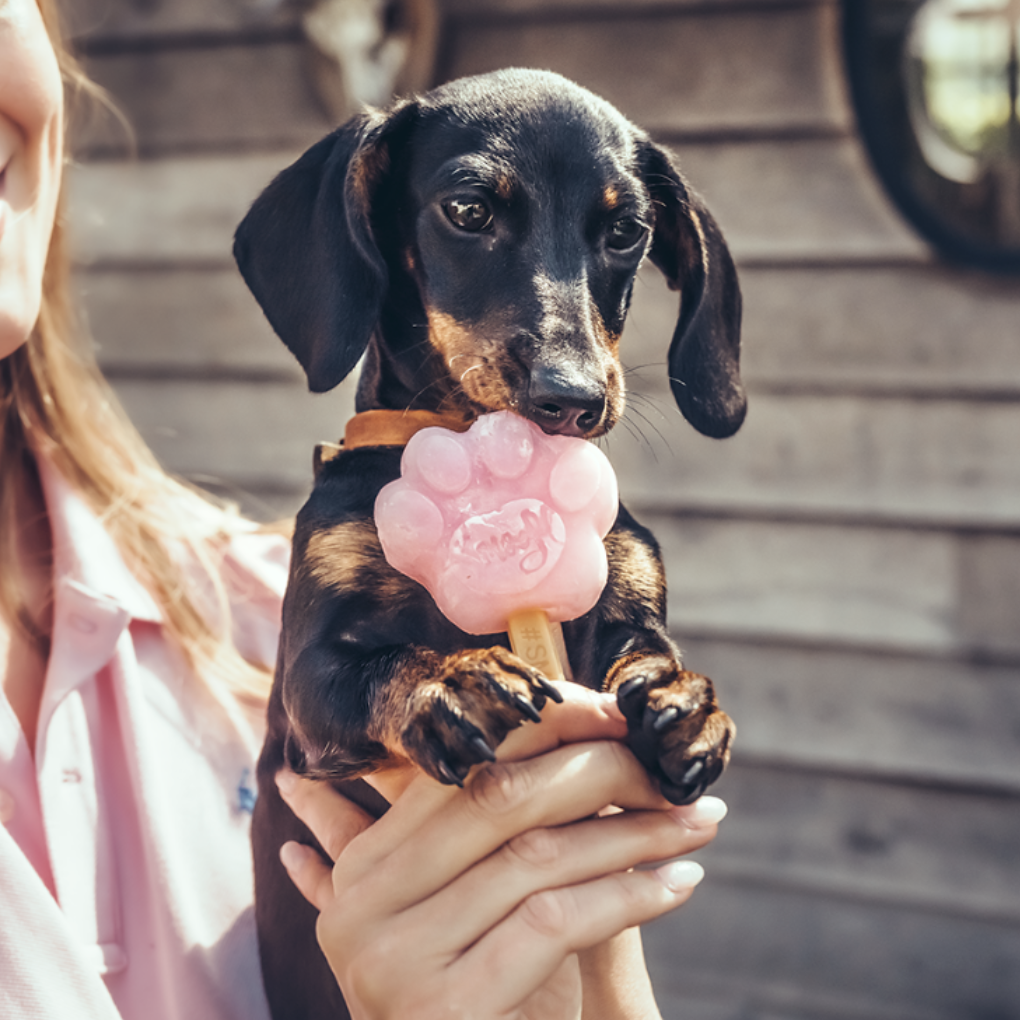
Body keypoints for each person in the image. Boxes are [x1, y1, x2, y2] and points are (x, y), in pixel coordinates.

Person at [0, 1, 727, 1017]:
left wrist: (654, 696)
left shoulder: (232, 597)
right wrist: (415, 693)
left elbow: (631, 637)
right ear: (380, 231)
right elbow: (329, 697)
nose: (568, 366)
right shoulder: (334, 546)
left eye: (615, 239)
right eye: (473, 215)